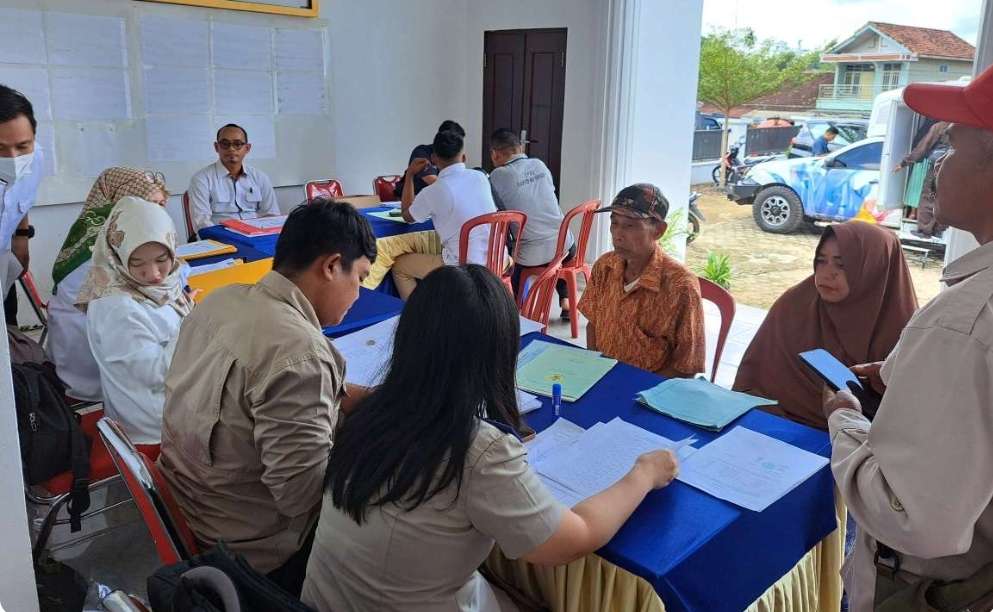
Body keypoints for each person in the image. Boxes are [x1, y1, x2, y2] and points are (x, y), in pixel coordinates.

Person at [301, 265, 680, 611]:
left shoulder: (370, 411)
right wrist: (644, 473)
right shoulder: (475, 450)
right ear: (496, 354)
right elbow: (575, 538)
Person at [822, 65, 993, 612]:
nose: (937, 164)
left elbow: (911, 515)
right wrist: (908, 383)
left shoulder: (964, 325)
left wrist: (846, 420)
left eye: (954, 145)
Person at [159, 199, 376, 597]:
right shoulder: (299, 353)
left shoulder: (221, 301)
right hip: (254, 551)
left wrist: (375, 400)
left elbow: (271, 393)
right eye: (360, 277)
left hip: (192, 503)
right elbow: (303, 497)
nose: (359, 294)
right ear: (330, 266)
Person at [733, 221, 917, 430]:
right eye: (821, 261)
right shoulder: (795, 304)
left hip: (858, 447)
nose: (828, 273)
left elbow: (909, 425)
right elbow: (750, 384)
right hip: (771, 428)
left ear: (875, 270)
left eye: (842, 265)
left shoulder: (910, 334)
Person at [75, 196, 194, 444]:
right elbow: (154, 374)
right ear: (117, 257)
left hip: (166, 405)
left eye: (162, 260)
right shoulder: (116, 306)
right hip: (155, 427)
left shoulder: (155, 288)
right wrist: (194, 326)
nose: (153, 275)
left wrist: (187, 309)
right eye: (137, 263)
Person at [48, 168, 170, 401]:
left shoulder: (97, 227)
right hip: (92, 371)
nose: (158, 213)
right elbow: (148, 303)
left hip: (81, 348)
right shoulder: (108, 247)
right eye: (150, 205)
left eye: (161, 204)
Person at [578, 184, 705, 378]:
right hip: (602, 377)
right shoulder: (605, 266)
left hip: (649, 393)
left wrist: (638, 390)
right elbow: (593, 325)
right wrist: (596, 370)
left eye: (630, 225)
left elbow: (686, 367)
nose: (617, 235)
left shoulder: (681, 286)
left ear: (659, 230)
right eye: (614, 223)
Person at [394, 129, 498, 299]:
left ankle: (420, 317)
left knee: (400, 267)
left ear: (434, 158)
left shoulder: (435, 191)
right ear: (464, 157)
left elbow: (406, 216)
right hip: (496, 258)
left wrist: (410, 175)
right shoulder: (480, 177)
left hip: (462, 267)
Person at [489, 128, 575, 318]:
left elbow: (495, 211)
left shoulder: (496, 176)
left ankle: (515, 312)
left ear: (495, 154)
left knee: (512, 267)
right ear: (519, 148)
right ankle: (566, 300)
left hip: (530, 255)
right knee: (563, 243)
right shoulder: (539, 165)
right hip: (563, 245)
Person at [186, 123, 278, 234]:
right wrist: (230, 238)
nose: (231, 149)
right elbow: (202, 222)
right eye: (225, 144)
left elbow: (272, 216)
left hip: (256, 238)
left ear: (247, 148)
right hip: (220, 240)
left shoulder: (260, 178)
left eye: (237, 144)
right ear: (216, 147)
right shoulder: (201, 179)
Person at [0, 84, 43, 305]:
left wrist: (22, 238)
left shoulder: (36, 158)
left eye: (22, 146)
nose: (13, 158)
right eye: (0, 149)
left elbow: (22, 200)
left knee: (9, 329)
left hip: (5, 261)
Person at [897, 120, 950, 238]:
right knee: (942, 199)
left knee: (929, 197)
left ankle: (925, 230)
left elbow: (923, 146)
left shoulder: (940, 126)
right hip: (955, 169)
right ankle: (938, 229)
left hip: (938, 167)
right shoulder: (965, 127)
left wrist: (905, 162)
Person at [392, 120, 466, 199]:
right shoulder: (422, 152)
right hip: (411, 198)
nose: (457, 146)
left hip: (436, 197)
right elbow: (432, 181)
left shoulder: (453, 157)